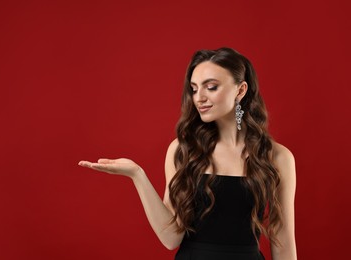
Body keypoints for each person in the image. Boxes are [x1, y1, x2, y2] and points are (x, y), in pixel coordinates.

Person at [78, 47, 297, 260]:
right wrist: (137, 175)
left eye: (211, 87)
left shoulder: (277, 157)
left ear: (240, 90)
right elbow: (171, 238)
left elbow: (284, 241)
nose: (199, 97)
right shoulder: (183, 150)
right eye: (194, 89)